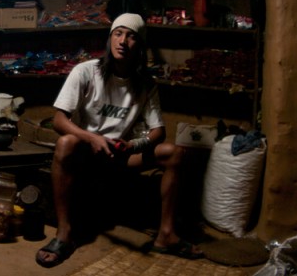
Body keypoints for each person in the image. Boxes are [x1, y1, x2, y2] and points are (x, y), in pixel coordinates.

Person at [35, 13, 204, 268]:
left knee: (174, 153)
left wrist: (132, 145)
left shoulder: (145, 83)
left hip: (120, 155)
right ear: (110, 38)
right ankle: (64, 233)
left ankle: (166, 234)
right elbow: (59, 120)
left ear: (140, 45)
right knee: (66, 143)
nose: (123, 41)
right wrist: (92, 138)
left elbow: (158, 132)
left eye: (131, 36)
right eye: (118, 33)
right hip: (86, 153)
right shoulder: (86, 71)